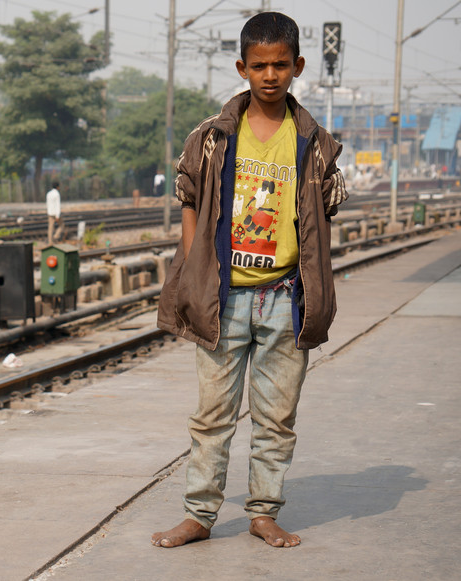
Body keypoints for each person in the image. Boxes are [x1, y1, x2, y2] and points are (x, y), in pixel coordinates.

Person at [153, 12, 347, 550]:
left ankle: (263, 512)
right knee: (212, 414)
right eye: (259, 65)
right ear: (242, 67)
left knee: (276, 416)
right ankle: (200, 514)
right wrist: (193, 270)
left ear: (298, 66)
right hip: (224, 298)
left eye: (280, 64)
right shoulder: (213, 138)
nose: (269, 75)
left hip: (286, 298)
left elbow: (323, 218)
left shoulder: (315, 144)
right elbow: (189, 200)